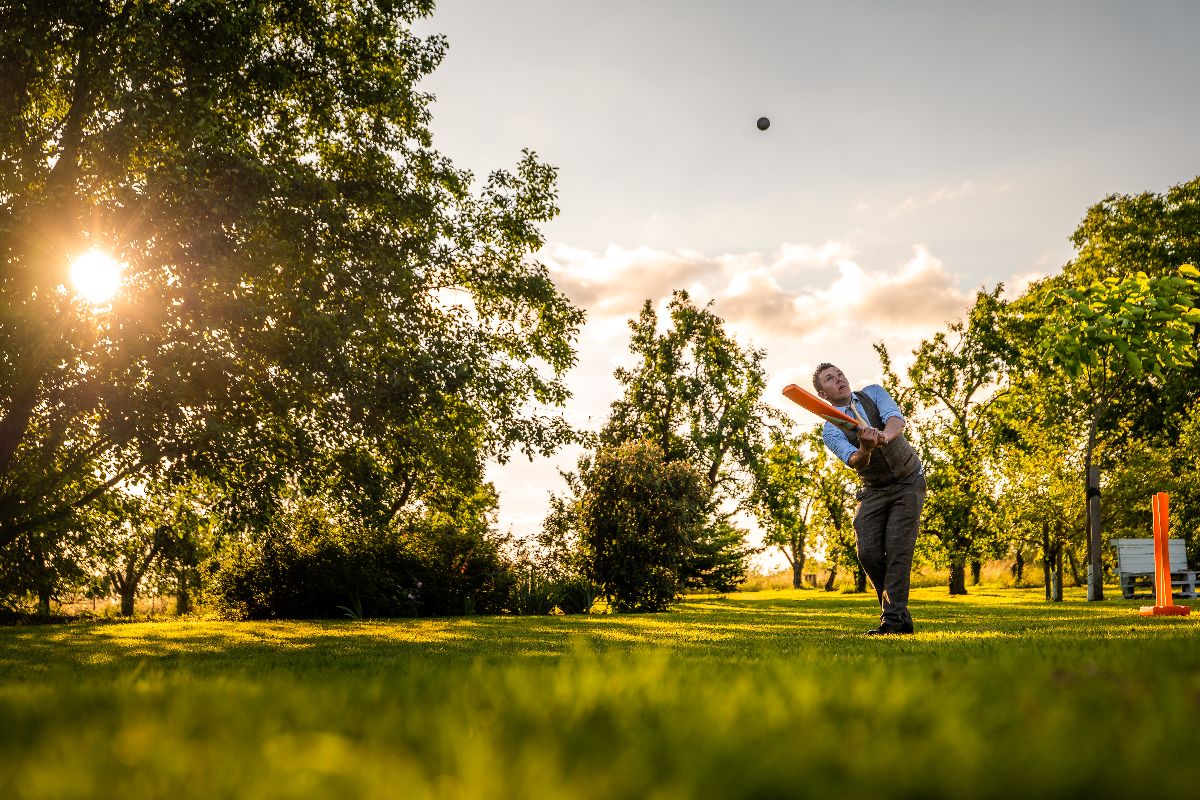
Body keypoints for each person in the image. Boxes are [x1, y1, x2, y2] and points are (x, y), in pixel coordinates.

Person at [812, 363, 925, 635]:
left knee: (898, 550)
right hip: (873, 489)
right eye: (830, 378)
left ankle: (893, 622)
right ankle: (900, 614)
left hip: (908, 481)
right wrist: (866, 447)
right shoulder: (830, 430)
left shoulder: (873, 393)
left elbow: (896, 419)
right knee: (869, 553)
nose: (839, 378)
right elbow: (855, 462)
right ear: (822, 395)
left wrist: (884, 435)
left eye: (840, 373)